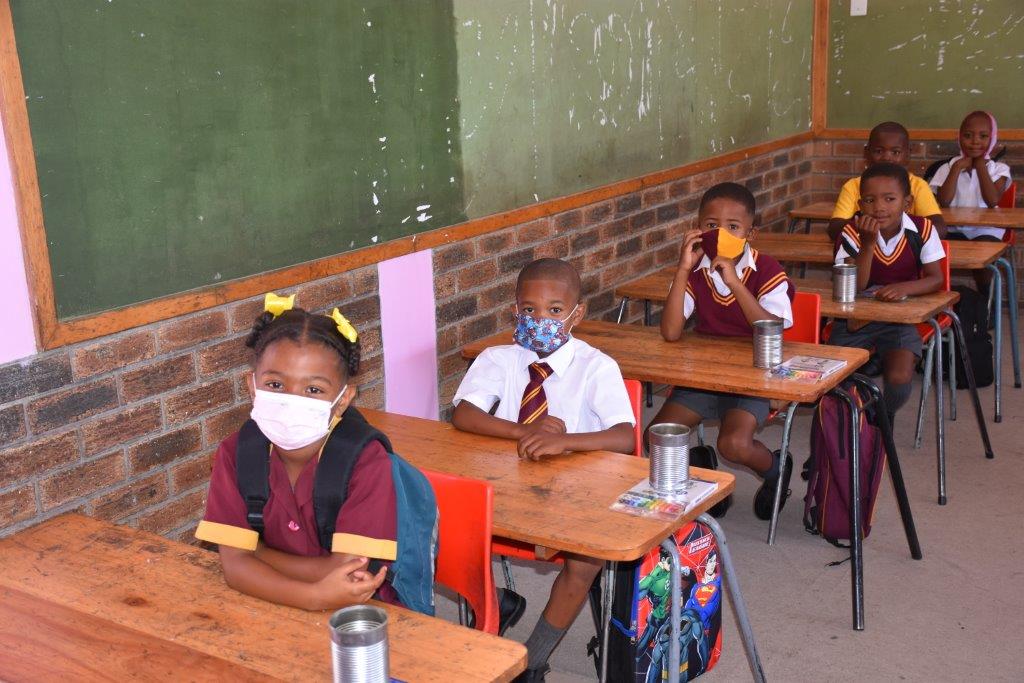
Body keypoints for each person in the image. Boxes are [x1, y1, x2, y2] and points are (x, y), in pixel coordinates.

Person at [452, 257, 636, 682]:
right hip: (511, 484)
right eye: (529, 309)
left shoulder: (596, 366)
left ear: (577, 313)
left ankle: (532, 660)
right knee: (435, 514)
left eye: (555, 310)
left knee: (586, 559)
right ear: (515, 310)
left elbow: (624, 436)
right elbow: (464, 414)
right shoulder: (499, 358)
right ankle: (493, 604)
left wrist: (564, 440)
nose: (541, 319)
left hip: (576, 491)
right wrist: (525, 430)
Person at [195, 293, 396, 610]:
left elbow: (346, 572)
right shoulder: (236, 453)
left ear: (343, 400)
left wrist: (256, 553)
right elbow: (234, 569)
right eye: (275, 385)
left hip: (353, 611)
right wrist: (314, 596)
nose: (291, 399)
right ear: (252, 386)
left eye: (313, 390)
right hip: (265, 605)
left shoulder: (365, 461)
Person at [651, 181, 795, 521]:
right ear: (698, 229)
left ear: (750, 233)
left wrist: (735, 282)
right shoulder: (696, 269)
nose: (720, 233)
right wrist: (683, 269)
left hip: (754, 377)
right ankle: (704, 485)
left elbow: (772, 328)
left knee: (733, 445)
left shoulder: (768, 270)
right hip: (703, 376)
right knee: (656, 438)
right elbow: (671, 332)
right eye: (711, 225)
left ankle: (776, 470)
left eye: (733, 227)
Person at [831, 163, 945, 424]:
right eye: (870, 200)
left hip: (899, 318)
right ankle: (857, 420)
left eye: (889, 199)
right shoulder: (851, 232)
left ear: (907, 203)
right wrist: (868, 243)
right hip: (854, 318)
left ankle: (882, 414)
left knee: (900, 379)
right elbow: (855, 287)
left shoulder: (924, 229)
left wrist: (904, 288)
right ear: (860, 203)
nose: (879, 207)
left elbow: (936, 278)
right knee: (837, 378)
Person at [929, 110, 1011, 293]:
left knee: (982, 259)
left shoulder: (998, 169)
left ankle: (985, 303)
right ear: (959, 138)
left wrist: (980, 166)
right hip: (954, 229)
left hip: (987, 231)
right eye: (968, 135)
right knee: (929, 250)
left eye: (983, 136)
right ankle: (940, 300)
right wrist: (957, 168)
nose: (975, 141)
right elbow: (943, 201)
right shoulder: (948, 167)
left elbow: (992, 200)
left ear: (993, 139)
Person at [827, 121, 947, 242]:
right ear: (866, 153)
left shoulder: (918, 186)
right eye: (879, 151)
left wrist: (894, 232)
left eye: (896, 152)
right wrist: (867, 229)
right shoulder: (853, 186)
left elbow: (939, 229)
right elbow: (834, 229)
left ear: (908, 154)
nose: (886, 157)